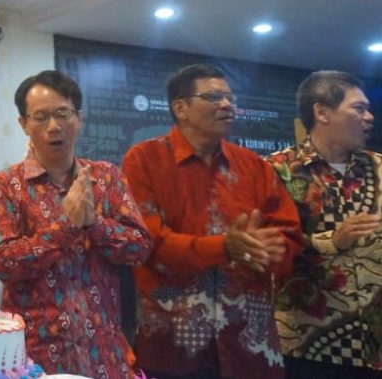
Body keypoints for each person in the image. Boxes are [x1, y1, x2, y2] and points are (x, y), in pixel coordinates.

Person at [121, 64, 304, 379]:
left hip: (250, 346)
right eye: (214, 97)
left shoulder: (254, 166)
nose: (227, 105)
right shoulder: (144, 160)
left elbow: (289, 236)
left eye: (231, 98)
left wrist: (267, 249)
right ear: (181, 107)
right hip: (175, 346)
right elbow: (146, 243)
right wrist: (224, 247)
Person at [0, 70, 152, 378]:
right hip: (34, 355)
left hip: (104, 351)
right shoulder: (6, 184)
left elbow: (140, 247)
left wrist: (94, 224)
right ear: (24, 124)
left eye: (63, 114)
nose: (53, 126)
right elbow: (5, 263)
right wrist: (66, 226)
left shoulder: (107, 177)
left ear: (79, 117)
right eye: (41, 117)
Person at [267, 71, 380, 378]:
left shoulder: (379, 167)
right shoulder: (276, 171)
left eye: (369, 109)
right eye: (359, 108)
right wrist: (333, 241)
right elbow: (269, 248)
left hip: (377, 342)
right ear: (322, 112)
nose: (369, 117)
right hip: (310, 343)